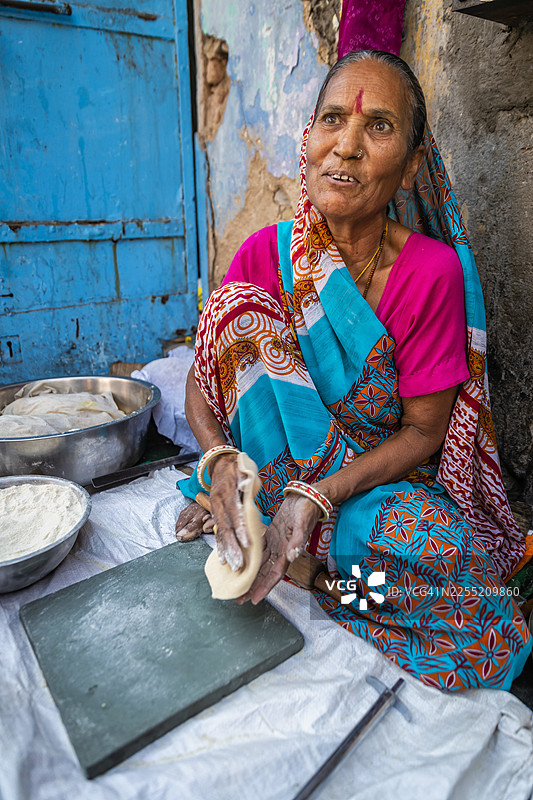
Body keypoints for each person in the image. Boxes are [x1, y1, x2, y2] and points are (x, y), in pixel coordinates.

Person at [176, 49, 532, 690]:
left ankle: (314, 576)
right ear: (308, 137)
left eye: (379, 127)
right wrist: (219, 462)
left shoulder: (430, 273)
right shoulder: (265, 254)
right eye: (333, 120)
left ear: (414, 162)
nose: (346, 147)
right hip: (273, 484)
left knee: (473, 606)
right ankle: (279, 543)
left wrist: (320, 497)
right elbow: (201, 387)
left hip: (371, 492)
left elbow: (425, 434)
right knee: (239, 313)